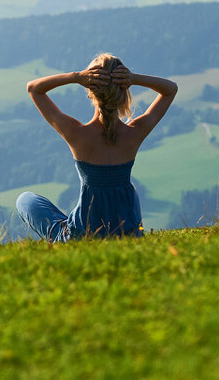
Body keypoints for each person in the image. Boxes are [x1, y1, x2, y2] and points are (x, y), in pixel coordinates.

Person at [16, 53, 178, 241]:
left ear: (90, 92)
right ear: (123, 92)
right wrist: (133, 78)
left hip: (81, 236)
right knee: (128, 188)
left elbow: (34, 88)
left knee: (25, 199)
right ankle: (135, 232)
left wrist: (76, 76)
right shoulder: (135, 133)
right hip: (127, 234)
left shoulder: (75, 134)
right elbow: (170, 89)